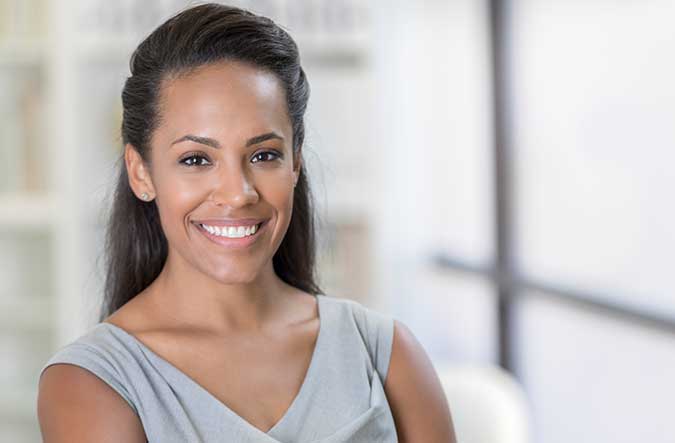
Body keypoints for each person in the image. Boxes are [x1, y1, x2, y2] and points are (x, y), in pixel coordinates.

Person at [36, 3, 456, 442]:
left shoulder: (385, 354)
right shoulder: (92, 383)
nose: (238, 193)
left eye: (263, 155)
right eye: (196, 159)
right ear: (141, 173)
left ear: (295, 161)